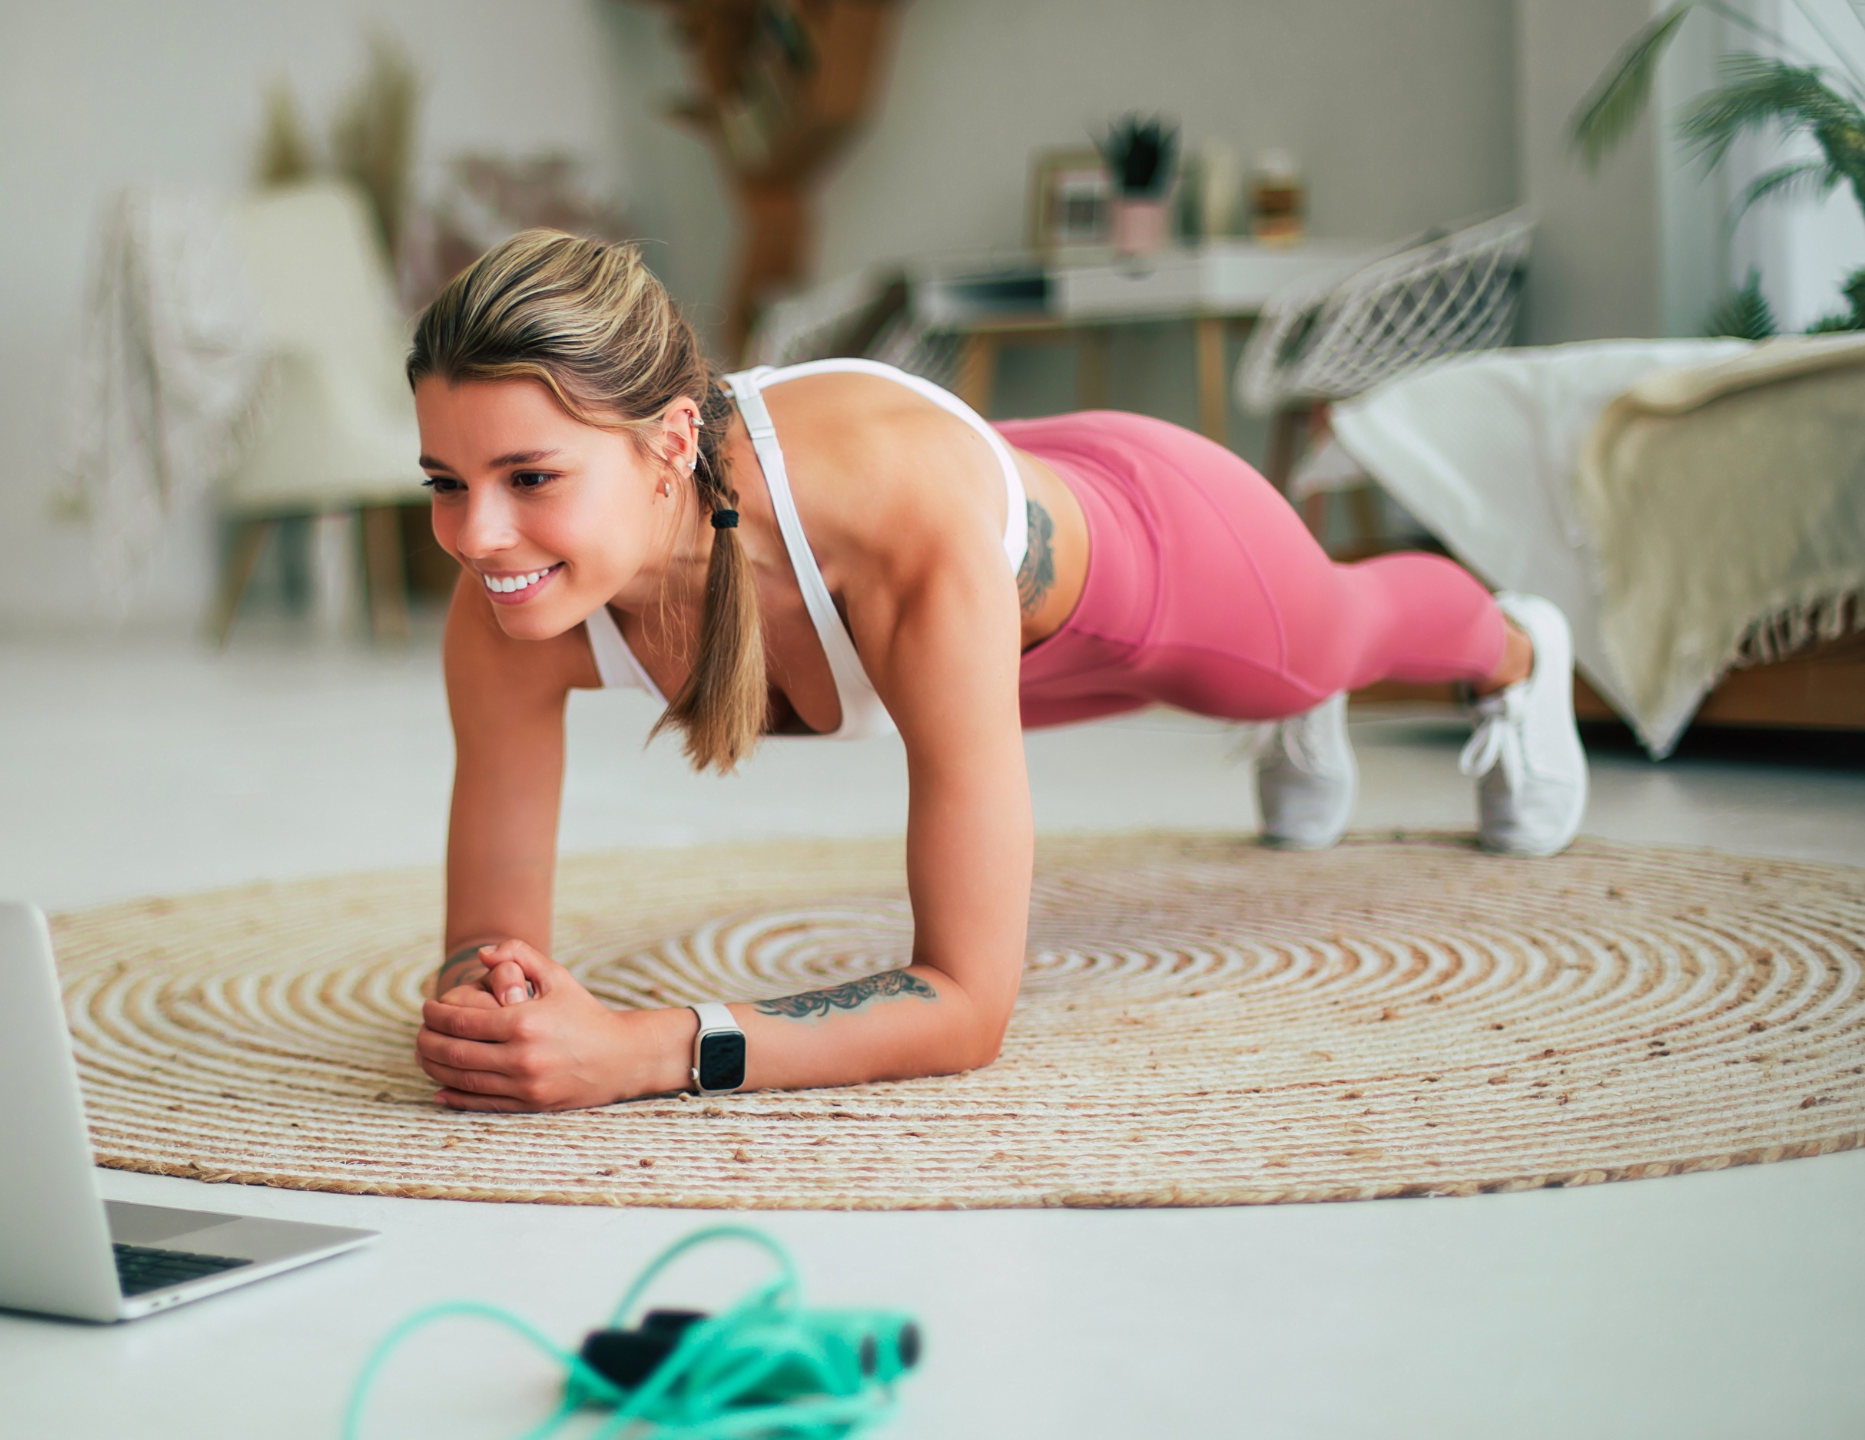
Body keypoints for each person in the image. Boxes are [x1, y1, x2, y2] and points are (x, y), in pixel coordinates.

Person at [406, 231, 1587, 1114]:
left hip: (1159, 551)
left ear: (667, 443)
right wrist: (496, 999)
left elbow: (965, 1005)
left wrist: (637, 1051)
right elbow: (487, 939)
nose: (477, 535)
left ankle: (1516, 648)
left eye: (530, 478)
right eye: (446, 484)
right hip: (984, 624)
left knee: (1326, 642)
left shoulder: (885, 525)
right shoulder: (509, 603)